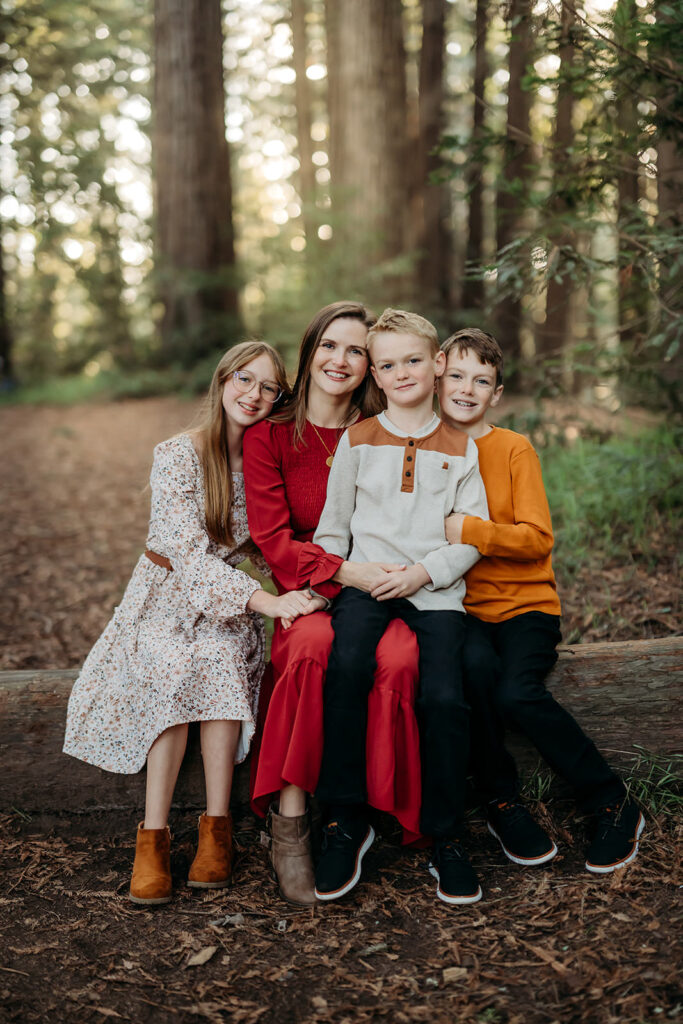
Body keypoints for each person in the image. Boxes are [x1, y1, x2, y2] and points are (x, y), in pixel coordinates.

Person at [63, 342, 318, 906]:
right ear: (222, 381)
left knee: (221, 659)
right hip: (166, 595)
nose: (253, 395)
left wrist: (297, 586)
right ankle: (152, 839)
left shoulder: (263, 459)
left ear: (280, 397)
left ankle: (216, 830)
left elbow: (273, 537)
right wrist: (268, 603)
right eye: (243, 380)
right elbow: (184, 553)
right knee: (171, 662)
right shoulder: (178, 453)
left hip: (230, 605)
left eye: (268, 387)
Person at [438, 327, 644, 874]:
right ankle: (502, 801)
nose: (466, 388)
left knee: (516, 693)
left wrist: (471, 530)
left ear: (496, 394)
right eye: (456, 376)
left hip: (529, 607)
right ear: (438, 377)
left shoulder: (512, 449)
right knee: (473, 677)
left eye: (480, 380)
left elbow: (537, 538)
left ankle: (611, 800)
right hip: (464, 610)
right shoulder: (427, 448)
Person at [243, 301, 422, 907]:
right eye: (329, 346)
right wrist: (345, 571)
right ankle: (290, 818)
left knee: (397, 659)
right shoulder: (269, 436)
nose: (340, 360)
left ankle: (365, 811)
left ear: (370, 366)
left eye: (355, 351)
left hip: (381, 591)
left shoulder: (384, 430)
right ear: (308, 351)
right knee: (314, 645)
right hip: (310, 592)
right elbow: (272, 539)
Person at [312, 308, 490, 906]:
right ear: (376, 376)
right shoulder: (357, 439)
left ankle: (446, 835)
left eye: (414, 359)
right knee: (346, 671)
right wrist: (339, 577)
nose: (402, 372)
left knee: (443, 695)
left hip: (435, 590)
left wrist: (424, 572)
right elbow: (333, 529)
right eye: (387, 364)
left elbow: (471, 534)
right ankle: (344, 817)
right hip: (367, 585)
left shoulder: (462, 447)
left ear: (438, 364)